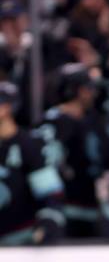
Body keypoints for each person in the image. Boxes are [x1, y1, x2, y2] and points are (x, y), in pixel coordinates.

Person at [38, 63, 105, 237]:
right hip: (63, 209)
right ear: (75, 90)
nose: (92, 93)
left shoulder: (91, 119)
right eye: (88, 88)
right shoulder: (54, 122)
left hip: (88, 207)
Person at [0, 81, 65, 245]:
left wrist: (47, 223)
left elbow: (50, 192)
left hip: (20, 239)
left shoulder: (28, 144)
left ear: (6, 108)